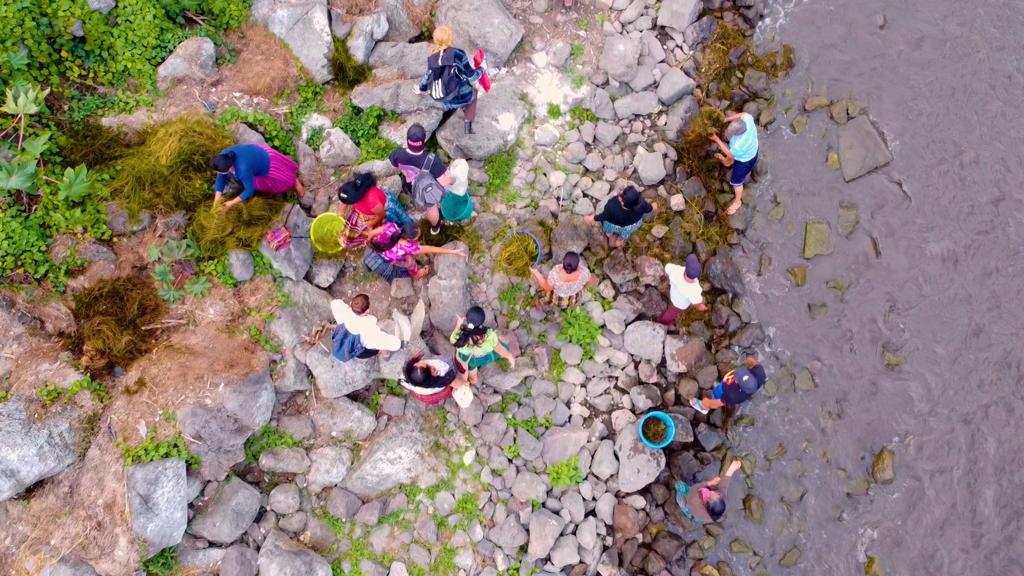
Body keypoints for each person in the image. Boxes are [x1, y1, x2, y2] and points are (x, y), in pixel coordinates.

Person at [415, 25, 484, 135]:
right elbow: (472, 76)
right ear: (450, 39)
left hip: (445, 100)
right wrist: (481, 69)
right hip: (463, 96)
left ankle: (448, 114)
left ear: (435, 41)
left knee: (450, 102)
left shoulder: (432, 58)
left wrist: (421, 89)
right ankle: (467, 125)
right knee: (473, 93)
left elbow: (427, 77)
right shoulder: (459, 54)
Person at [389, 123, 451, 235]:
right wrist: (452, 178)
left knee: (421, 200)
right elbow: (445, 182)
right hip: (427, 189)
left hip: (410, 184)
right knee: (431, 208)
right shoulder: (431, 160)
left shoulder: (397, 154)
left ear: (407, 139)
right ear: (423, 141)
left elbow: (394, 165)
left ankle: (417, 201)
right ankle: (435, 228)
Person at [363, 221, 466, 282]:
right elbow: (432, 248)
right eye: (417, 238)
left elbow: (371, 233)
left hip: (384, 252)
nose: (418, 239)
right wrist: (453, 252)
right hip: (395, 259)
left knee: (407, 257)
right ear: (410, 239)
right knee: (410, 264)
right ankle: (418, 275)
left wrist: (369, 242)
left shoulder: (391, 226)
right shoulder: (409, 247)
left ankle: (414, 268)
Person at [211, 143, 304, 210]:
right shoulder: (224, 156)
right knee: (252, 179)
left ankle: (295, 182)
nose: (219, 173)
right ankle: (292, 178)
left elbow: (249, 190)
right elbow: (221, 177)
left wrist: (231, 203)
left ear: (230, 167)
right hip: (256, 152)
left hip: (267, 163)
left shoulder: (243, 169)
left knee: (284, 180)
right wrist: (216, 202)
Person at [336, 173, 413, 248]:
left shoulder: (371, 200)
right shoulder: (352, 188)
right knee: (350, 235)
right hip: (368, 211)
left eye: (350, 202)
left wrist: (372, 223)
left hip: (386, 209)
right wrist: (341, 211)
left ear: (357, 197)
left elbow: (382, 215)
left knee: (400, 221)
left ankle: (408, 235)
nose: (347, 204)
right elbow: (345, 200)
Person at [450, 306, 516, 385]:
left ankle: (472, 381)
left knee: (473, 376)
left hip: (469, 359)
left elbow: (453, 339)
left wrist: (459, 323)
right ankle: (500, 358)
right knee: (505, 348)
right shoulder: (490, 336)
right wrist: (509, 356)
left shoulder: (457, 337)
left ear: (467, 320)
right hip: (482, 357)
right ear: (482, 321)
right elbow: (499, 349)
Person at [710, 111, 759, 215]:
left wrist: (717, 140)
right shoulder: (748, 119)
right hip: (754, 150)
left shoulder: (740, 145)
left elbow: (731, 154)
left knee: (736, 182)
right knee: (730, 159)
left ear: (739, 134)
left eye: (732, 132)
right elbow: (743, 114)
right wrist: (726, 119)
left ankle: (737, 202)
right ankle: (727, 163)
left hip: (745, 161)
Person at [329, 295, 401, 361]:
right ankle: (386, 355)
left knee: (378, 340)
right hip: (362, 352)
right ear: (367, 311)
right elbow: (396, 344)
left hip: (345, 343)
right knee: (382, 340)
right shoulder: (368, 332)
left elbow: (334, 303)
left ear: (351, 302)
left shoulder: (342, 312)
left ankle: (383, 353)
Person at [583, 185, 658, 247]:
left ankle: (609, 234)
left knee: (608, 226)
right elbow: (649, 209)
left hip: (614, 224)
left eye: (621, 196)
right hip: (631, 225)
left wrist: (591, 218)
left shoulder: (612, 208)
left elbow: (603, 216)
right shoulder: (642, 204)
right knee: (626, 232)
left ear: (623, 203)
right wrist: (653, 207)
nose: (620, 193)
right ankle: (620, 240)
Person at [690, 356, 768, 414]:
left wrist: (705, 403)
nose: (735, 375)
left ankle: (705, 407)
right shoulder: (760, 373)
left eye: (737, 378)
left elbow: (716, 403)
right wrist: (748, 360)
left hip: (725, 390)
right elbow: (752, 360)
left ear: (737, 383)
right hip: (737, 390)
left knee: (717, 393)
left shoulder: (733, 395)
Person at [674, 460, 743, 525]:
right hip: (702, 519)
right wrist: (731, 469)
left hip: (690, 504)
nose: (712, 492)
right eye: (717, 493)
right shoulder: (723, 503)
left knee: (680, 487)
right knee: (697, 520)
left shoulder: (695, 500)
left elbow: (694, 488)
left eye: (709, 495)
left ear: (705, 503)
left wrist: (709, 483)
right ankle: (694, 519)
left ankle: (684, 508)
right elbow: (724, 486)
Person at [400, 352, 473, 408]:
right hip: (436, 392)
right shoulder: (442, 374)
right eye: (426, 365)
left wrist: (413, 360)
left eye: (417, 363)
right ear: (432, 373)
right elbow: (457, 383)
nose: (421, 361)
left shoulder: (411, 376)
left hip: (424, 394)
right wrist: (465, 382)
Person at [530, 251, 596, 308]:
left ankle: (538, 304)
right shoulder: (584, 272)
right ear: (577, 265)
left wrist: (536, 273)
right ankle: (569, 307)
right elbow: (592, 281)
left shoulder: (555, 273)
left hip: (558, 299)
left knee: (542, 294)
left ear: (563, 262)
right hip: (574, 298)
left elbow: (547, 288)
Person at [657, 254, 707, 327]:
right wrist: (703, 307)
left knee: (670, 311)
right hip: (679, 305)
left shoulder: (676, 271)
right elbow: (697, 304)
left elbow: (667, 267)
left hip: (673, 294)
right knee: (670, 314)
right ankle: (661, 324)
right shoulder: (694, 290)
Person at [439, 158, 475, 223]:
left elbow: (446, 182)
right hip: (461, 191)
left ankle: (456, 217)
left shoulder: (454, 177)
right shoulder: (463, 176)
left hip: (454, 191)